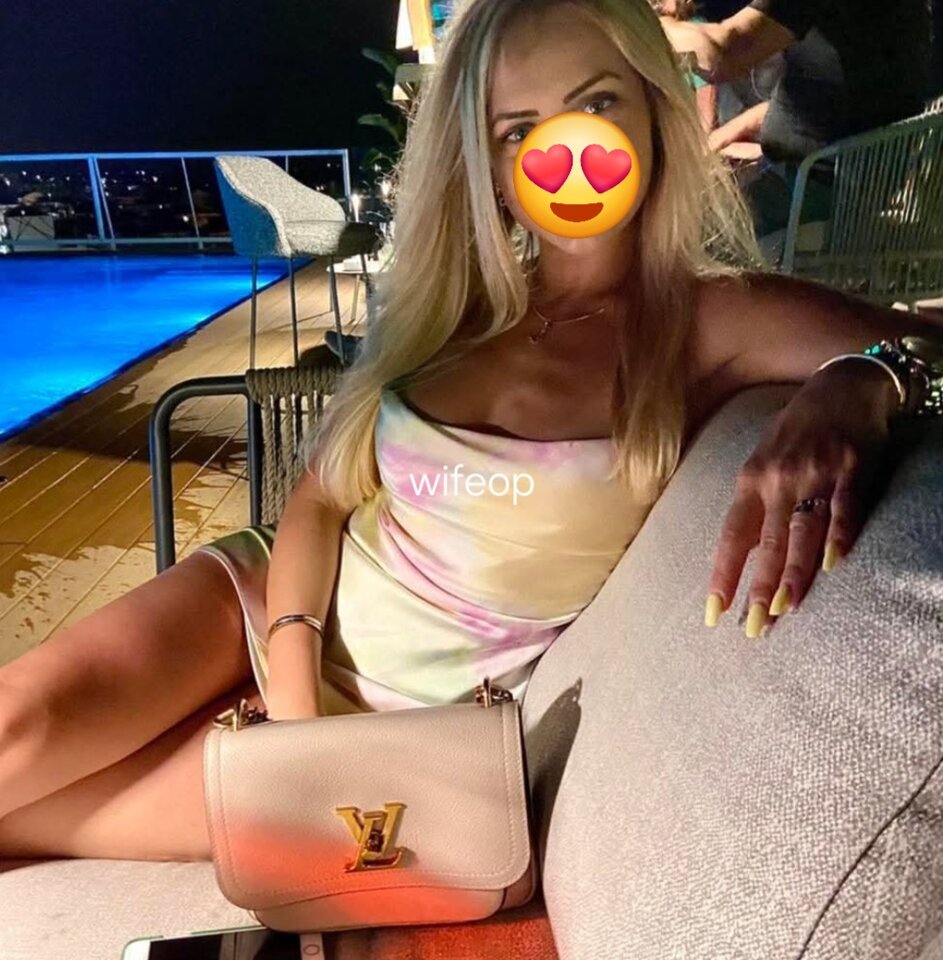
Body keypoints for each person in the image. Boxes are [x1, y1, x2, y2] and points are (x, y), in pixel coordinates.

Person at [0, 0, 941, 866]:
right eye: (517, 130)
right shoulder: (456, 304)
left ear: (655, 111)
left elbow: (918, 342)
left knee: (27, 824)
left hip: (406, 721)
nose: (564, 152)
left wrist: (864, 379)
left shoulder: (710, 320)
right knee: (15, 730)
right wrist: (290, 699)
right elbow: (321, 500)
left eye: (596, 102)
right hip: (265, 602)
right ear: (487, 164)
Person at [661, 0, 933, 235]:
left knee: (675, 226)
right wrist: (725, 135)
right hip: (854, 173)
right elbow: (838, 91)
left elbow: (724, 52)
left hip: (821, 188)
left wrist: (648, 24)